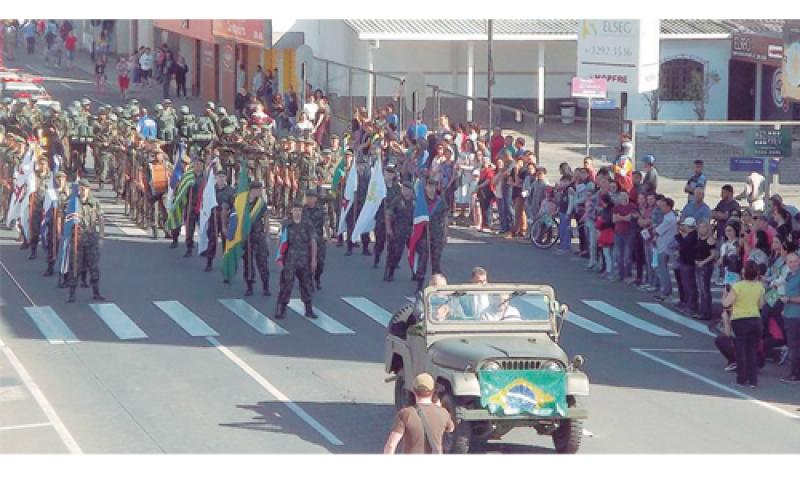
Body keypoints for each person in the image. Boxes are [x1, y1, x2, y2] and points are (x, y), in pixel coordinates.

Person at [384, 372, 454, 454]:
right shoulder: (443, 413)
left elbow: (391, 445)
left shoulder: (406, 414)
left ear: (414, 391)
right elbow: (451, 429)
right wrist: (439, 408)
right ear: (433, 391)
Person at [722, 260, 766, 388]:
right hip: (755, 319)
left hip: (740, 320)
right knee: (752, 350)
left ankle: (742, 379)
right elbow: (761, 305)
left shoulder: (738, 286)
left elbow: (726, 303)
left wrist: (725, 293)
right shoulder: (759, 286)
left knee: (741, 351)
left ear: (744, 272)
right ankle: (753, 380)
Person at [275, 200, 318, 320]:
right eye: (295, 210)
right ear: (291, 211)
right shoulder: (286, 224)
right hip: (290, 261)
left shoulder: (307, 224)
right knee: (286, 285)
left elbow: (313, 242)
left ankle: (308, 309)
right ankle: (281, 309)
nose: (297, 213)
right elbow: (281, 242)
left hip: (304, 260)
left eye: (299, 210)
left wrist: (314, 259)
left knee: (306, 285)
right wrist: (279, 258)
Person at [66, 179, 105, 303]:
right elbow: (66, 220)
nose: (83, 190)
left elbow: (101, 219)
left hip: (91, 237)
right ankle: (72, 293)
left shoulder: (94, 203)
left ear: (89, 189)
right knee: (75, 266)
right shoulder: (73, 203)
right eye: (81, 188)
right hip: (77, 239)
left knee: (93, 266)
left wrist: (101, 236)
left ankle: (96, 292)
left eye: (85, 188)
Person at [241, 181, 270, 297]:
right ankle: (249, 286)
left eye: (260, 190)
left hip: (259, 235)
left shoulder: (261, 203)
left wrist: (267, 234)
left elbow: (266, 217)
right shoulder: (243, 202)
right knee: (248, 263)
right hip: (247, 236)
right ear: (252, 190)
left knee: (262, 261)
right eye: (258, 190)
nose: (260, 192)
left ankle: (265, 286)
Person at [384, 180, 415, 282]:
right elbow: (389, 215)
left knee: (414, 253)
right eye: (404, 189)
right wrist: (388, 229)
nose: (406, 191)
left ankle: (415, 273)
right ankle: (390, 272)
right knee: (396, 253)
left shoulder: (415, 202)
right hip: (398, 230)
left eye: (408, 189)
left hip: (411, 230)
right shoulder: (397, 200)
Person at [779, 252, 800, 384]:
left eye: (795, 261)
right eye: (790, 262)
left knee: (794, 346)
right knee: (793, 345)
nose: (792, 264)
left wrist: (789, 300)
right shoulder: (788, 275)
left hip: (795, 316)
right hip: (788, 314)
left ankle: (795, 374)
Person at [301, 189, 327, 291]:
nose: (310, 199)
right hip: (306, 240)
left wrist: (328, 234)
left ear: (316, 198)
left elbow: (325, 222)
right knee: (307, 263)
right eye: (308, 197)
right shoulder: (303, 210)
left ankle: (317, 278)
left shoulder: (321, 209)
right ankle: (309, 282)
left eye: (312, 197)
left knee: (320, 263)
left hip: (318, 239)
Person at [653, 197, 678, 301]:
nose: (661, 208)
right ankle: (665, 290)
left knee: (663, 269)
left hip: (665, 247)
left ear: (668, 207)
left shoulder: (669, 218)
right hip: (663, 245)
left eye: (663, 206)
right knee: (662, 268)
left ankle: (666, 291)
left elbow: (657, 230)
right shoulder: (667, 216)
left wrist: (654, 229)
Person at [694, 221, 717, 321]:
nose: (702, 229)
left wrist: (703, 262)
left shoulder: (710, 240)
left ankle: (706, 312)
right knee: (701, 289)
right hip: (698, 264)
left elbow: (713, 254)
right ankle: (702, 310)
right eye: (700, 227)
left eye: (704, 227)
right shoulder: (699, 239)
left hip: (705, 266)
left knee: (705, 290)